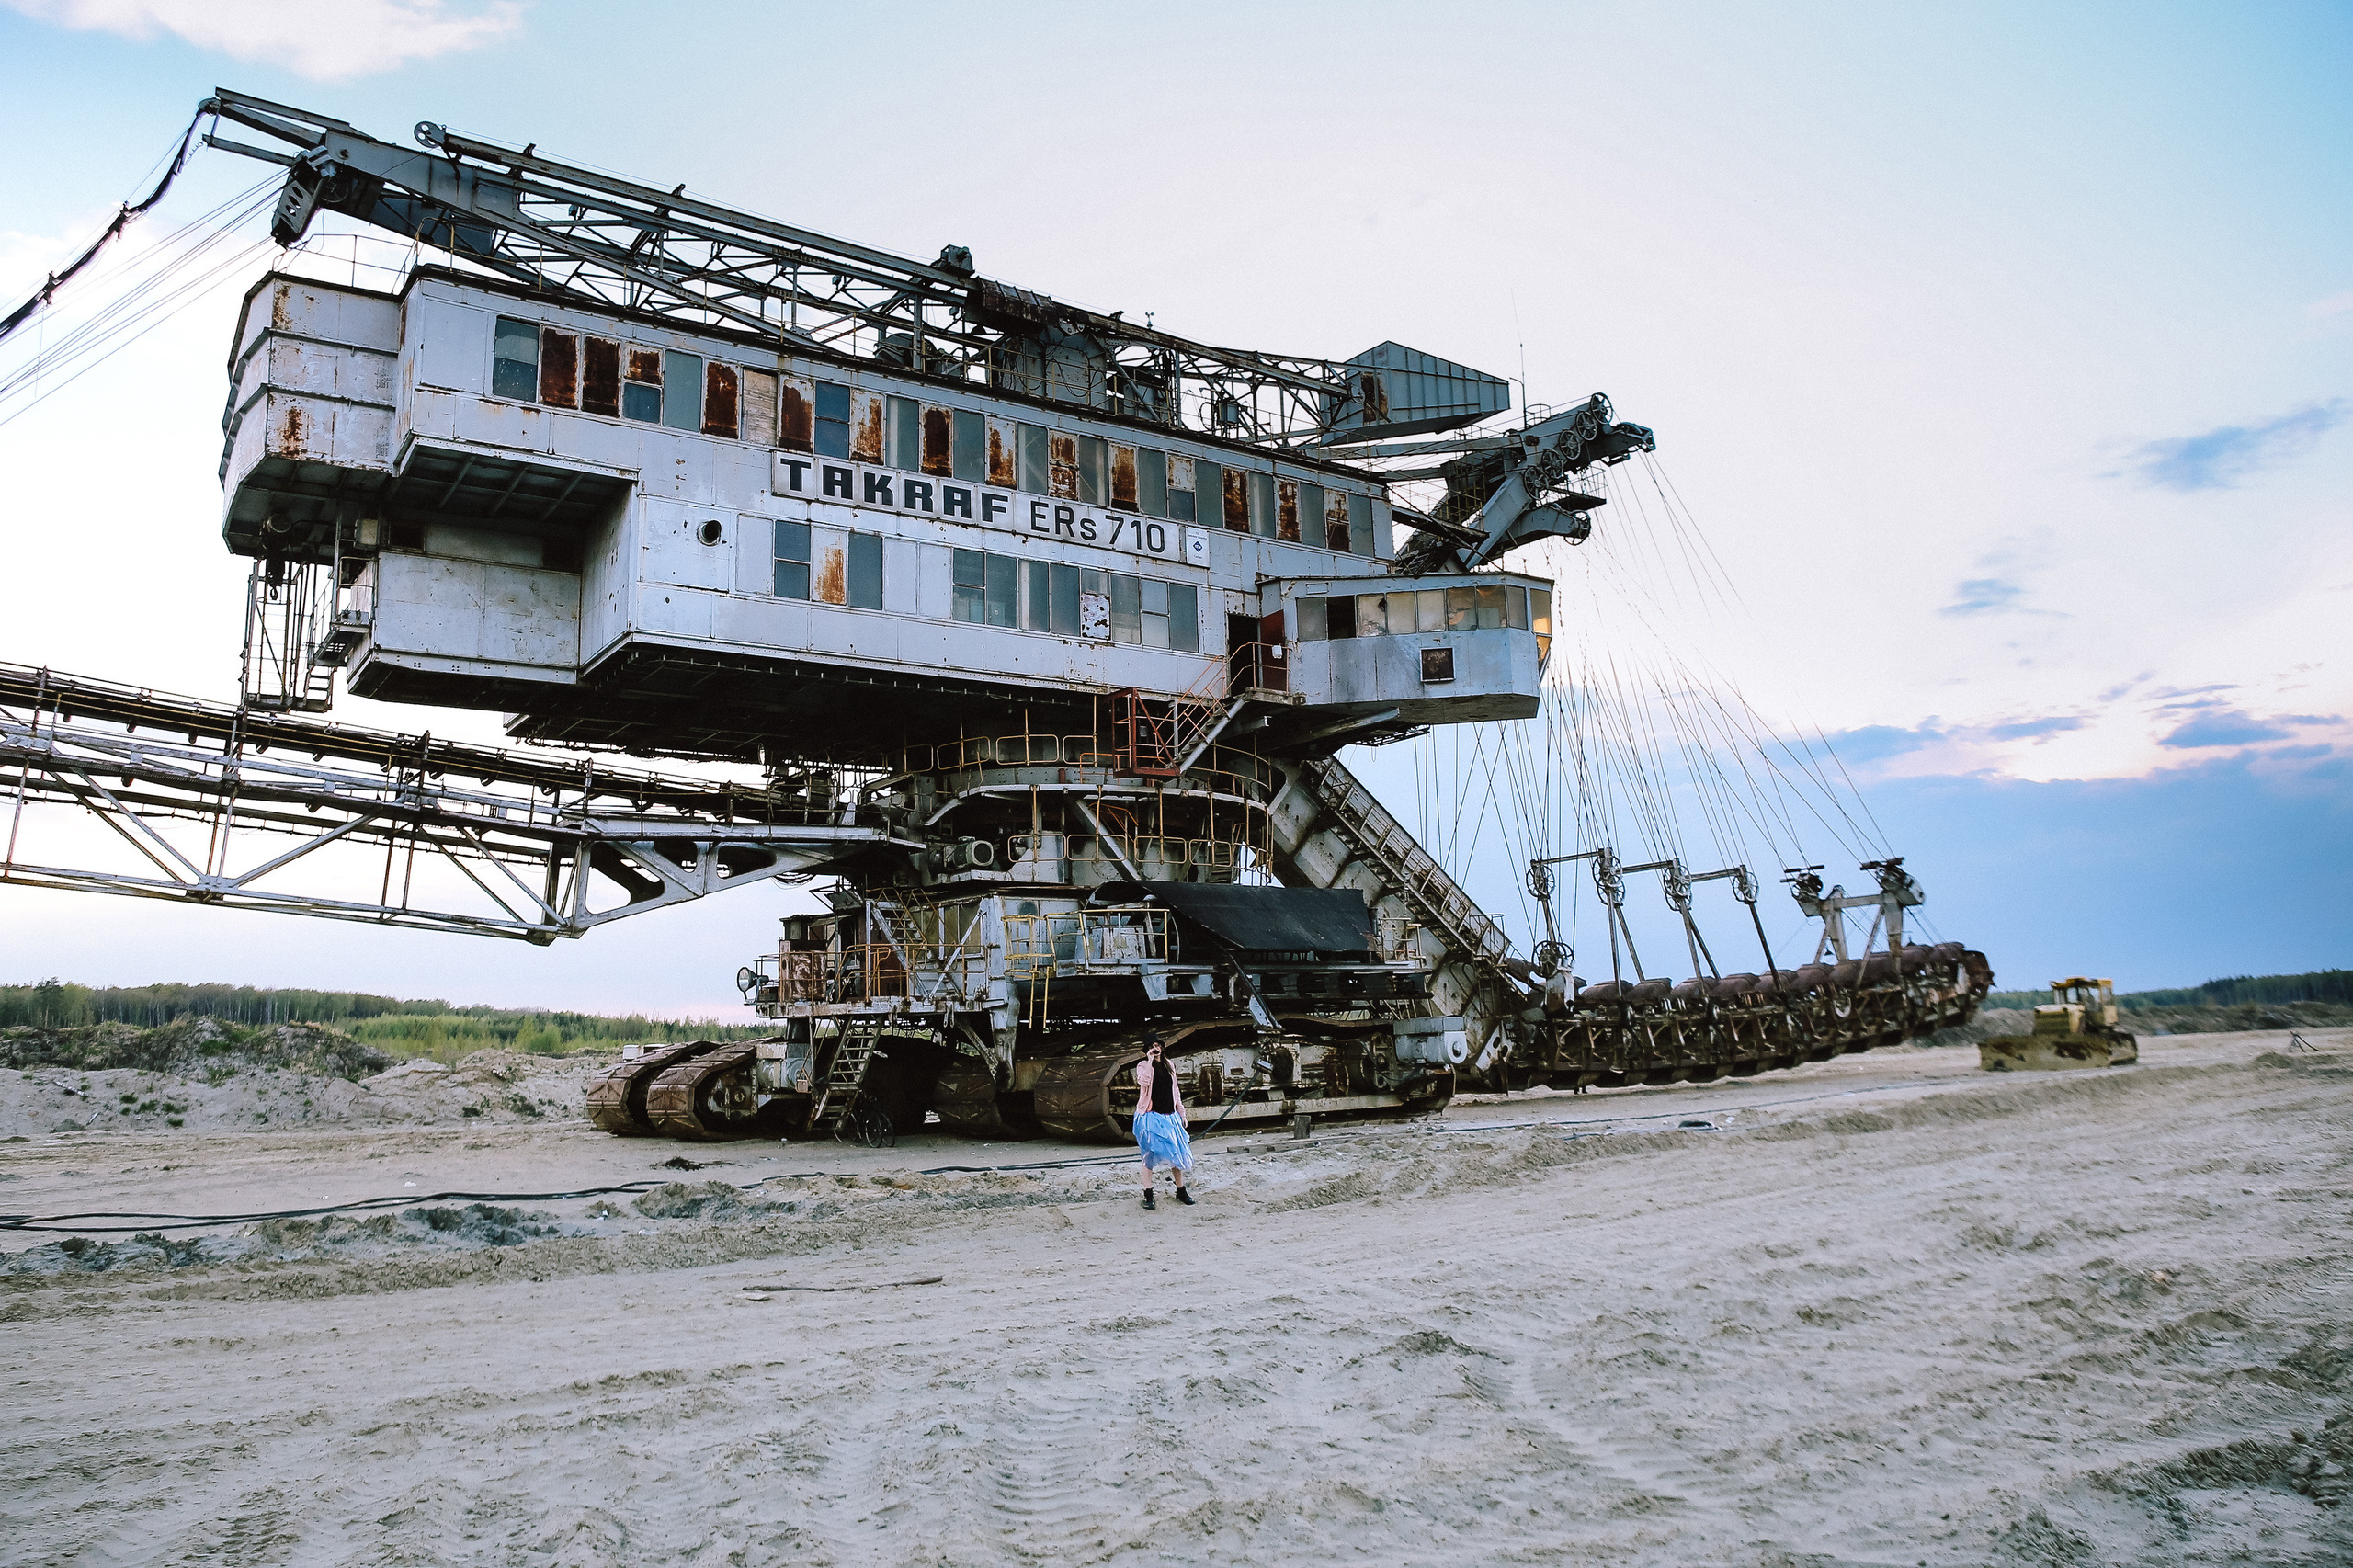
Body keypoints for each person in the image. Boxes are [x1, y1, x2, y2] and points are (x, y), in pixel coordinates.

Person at [1132, 1038, 1194, 1210]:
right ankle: (1148, 1194)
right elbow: (1144, 1083)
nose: (1156, 1048)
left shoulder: (1169, 1065)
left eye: (1158, 1045)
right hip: (1150, 1116)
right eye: (1152, 1046)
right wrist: (1149, 1060)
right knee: (1149, 1155)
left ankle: (1181, 1191)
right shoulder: (1143, 1066)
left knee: (1176, 1153)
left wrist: (1182, 1113)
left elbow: (1176, 1091)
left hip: (1170, 1116)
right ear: (1147, 1049)